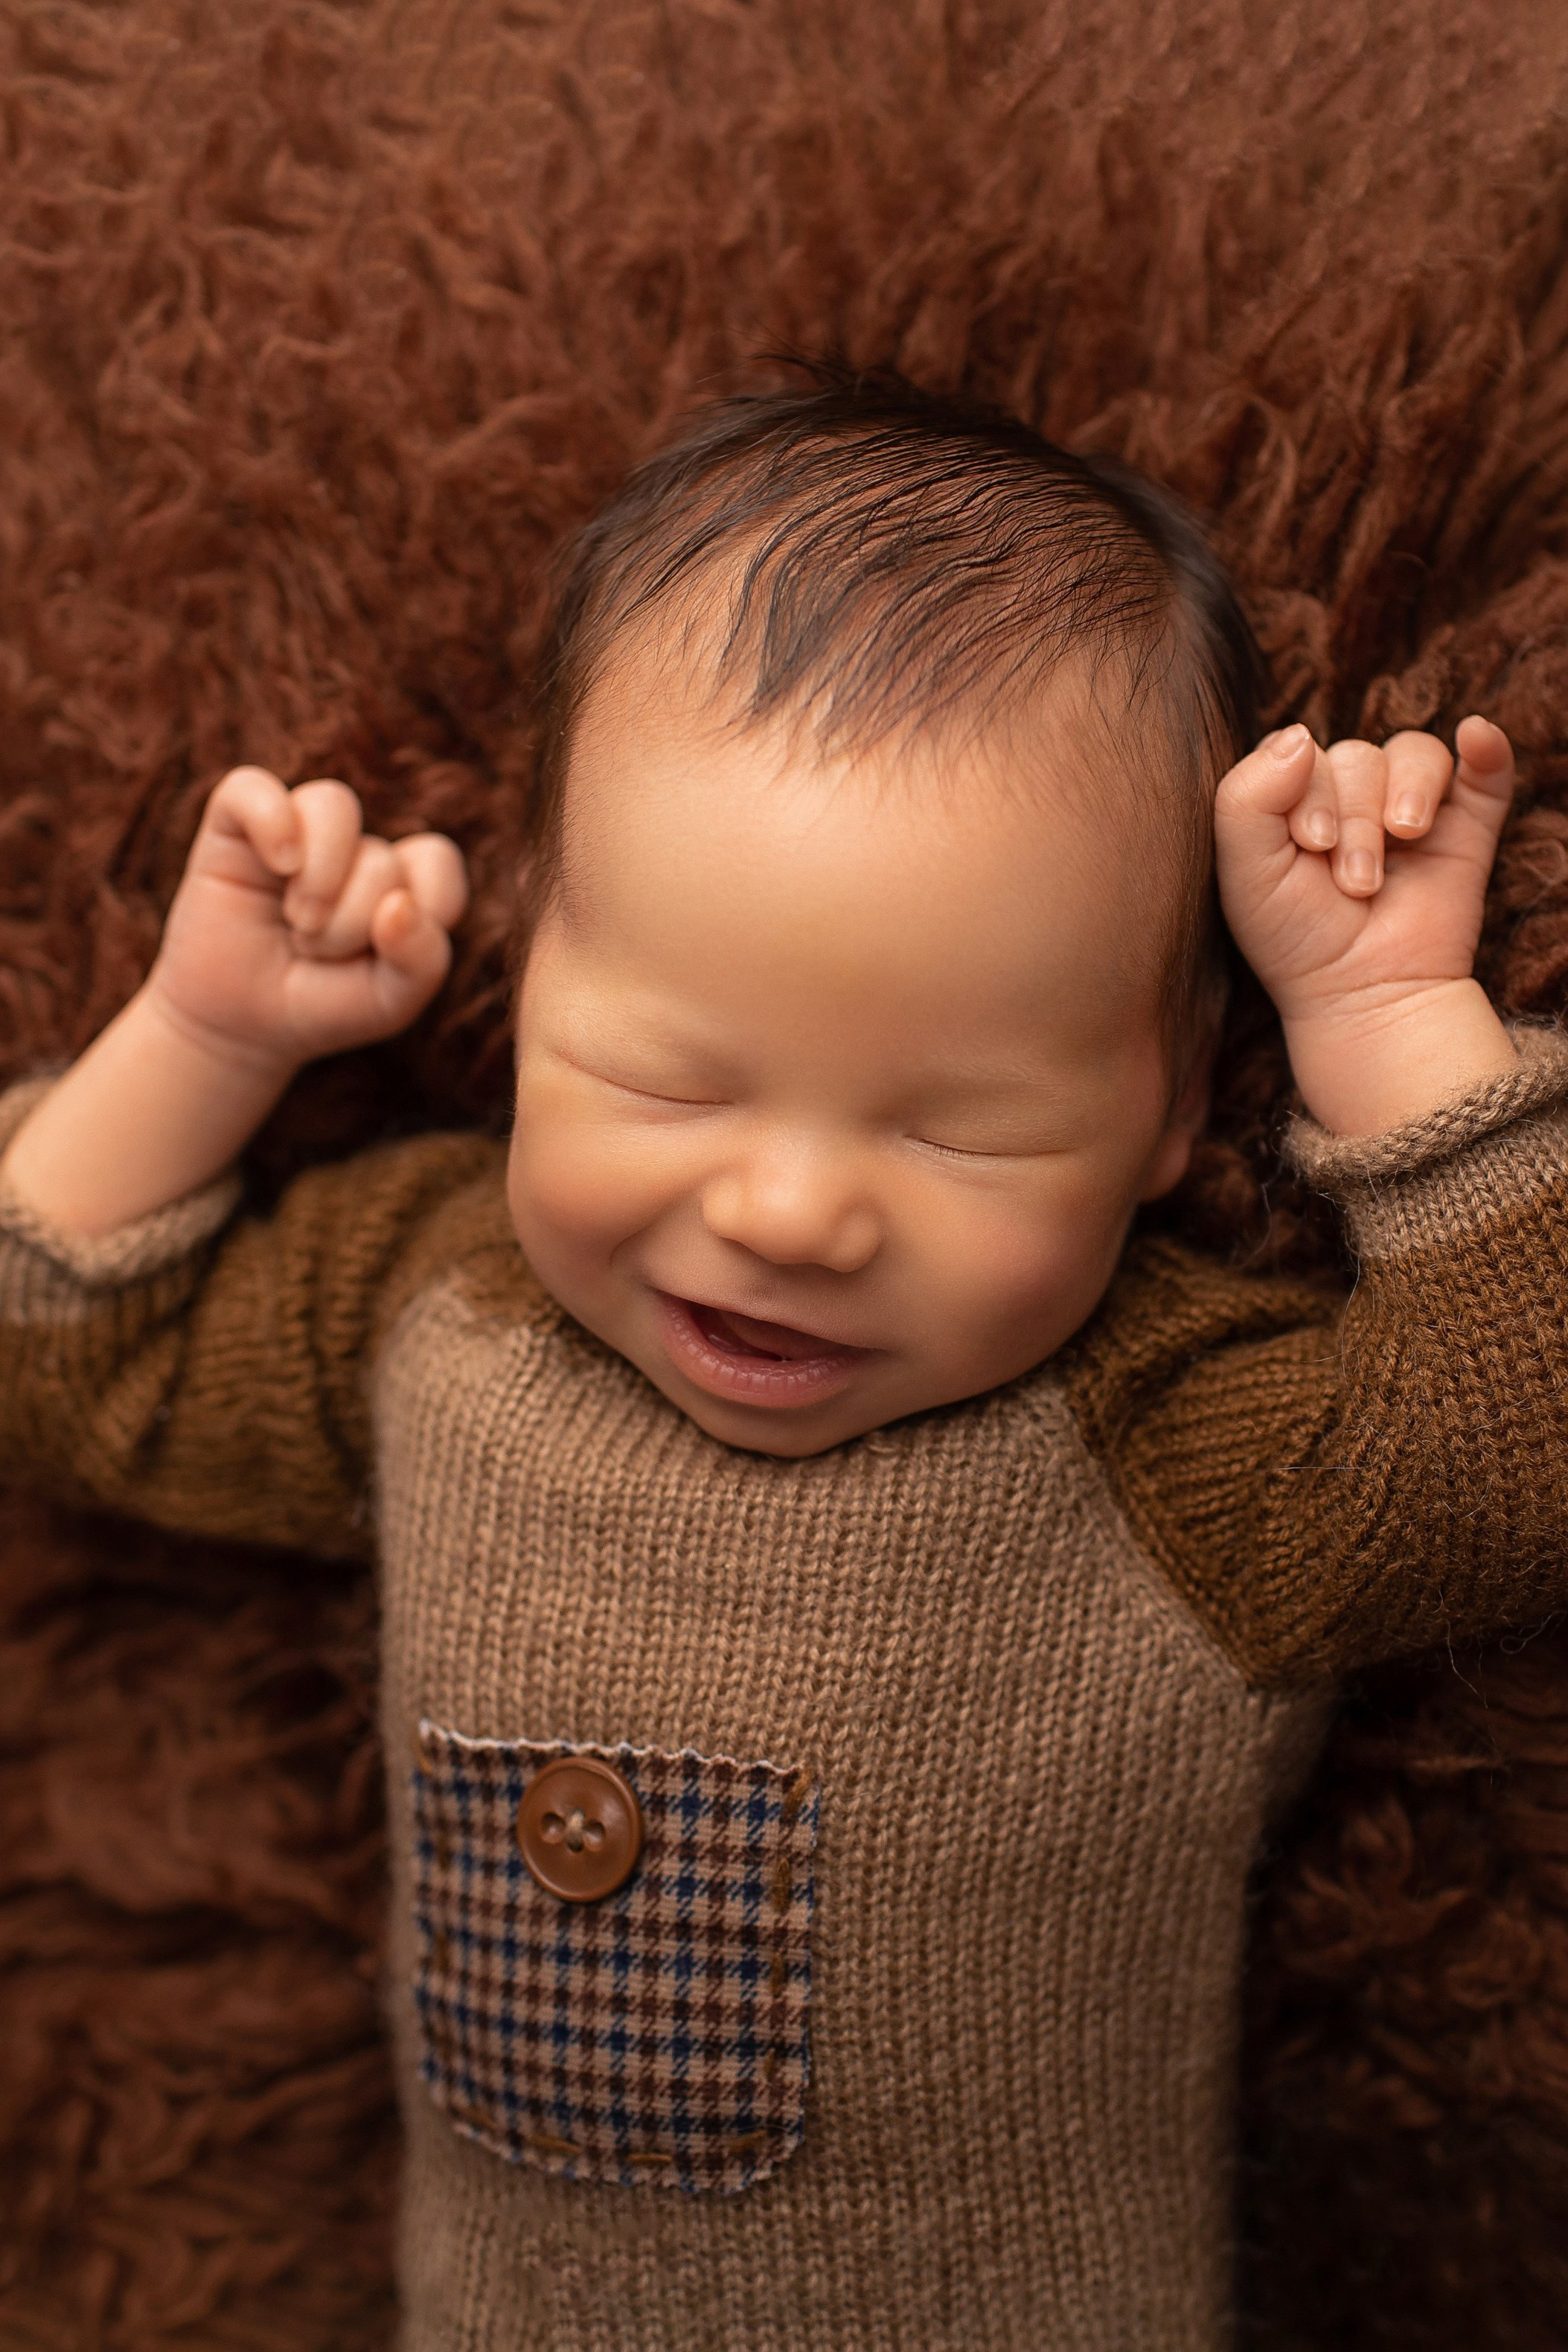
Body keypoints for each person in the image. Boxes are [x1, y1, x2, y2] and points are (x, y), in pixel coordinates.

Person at [1, 371, 1564, 2351]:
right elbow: (66, 1351)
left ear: (1171, 1114)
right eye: (665, 1074)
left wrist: (1377, 1011)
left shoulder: (1175, 1458)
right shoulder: (431, 1308)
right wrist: (207, 1044)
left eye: (955, 1131)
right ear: (527, 967)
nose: (788, 1213)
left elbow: (1514, 1443)